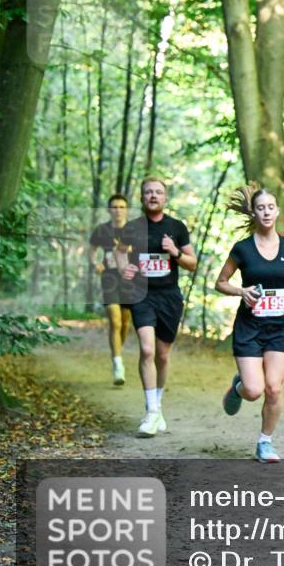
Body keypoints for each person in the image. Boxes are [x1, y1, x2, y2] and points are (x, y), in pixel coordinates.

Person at [215, 186, 284, 463]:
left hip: (277, 329)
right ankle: (238, 388)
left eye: (271, 207)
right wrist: (241, 291)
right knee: (253, 390)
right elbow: (220, 283)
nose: (266, 212)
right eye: (261, 208)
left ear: (278, 211)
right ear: (254, 212)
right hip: (249, 328)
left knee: (274, 388)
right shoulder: (243, 249)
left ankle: (265, 443)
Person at [121, 178, 197, 437]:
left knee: (162, 356)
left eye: (158, 192)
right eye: (148, 192)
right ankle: (151, 411)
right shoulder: (132, 227)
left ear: (165, 198)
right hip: (141, 295)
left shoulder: (176, 227)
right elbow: (119, 253)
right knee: (147, 349)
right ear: (142, 197)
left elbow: (192, 264)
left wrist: (175, 251)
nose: (153, 196)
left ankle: (157, 404)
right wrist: (125, 269)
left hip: (169, 297)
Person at [89, 194, 133, 385]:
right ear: (109, 210)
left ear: (127, 210)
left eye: (122, 207)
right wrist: (95, 263)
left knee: (124, 322)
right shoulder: (101, 230)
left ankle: (117, 353)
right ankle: (118, 364)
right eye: (114, 207)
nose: (118, 210)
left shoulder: (134, 229)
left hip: (130, 280)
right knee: (115, 321)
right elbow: (92, 249)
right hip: (110, 279)